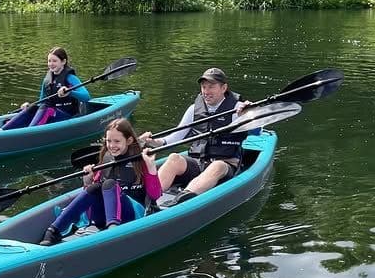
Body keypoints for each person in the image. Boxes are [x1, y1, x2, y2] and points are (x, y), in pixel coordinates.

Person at [39, 118, 161, 246]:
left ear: (129, 140)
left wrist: (151, 167)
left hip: (132, 215)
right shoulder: (106, 158)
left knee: (109, 184)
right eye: (108, 141)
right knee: (95, 187)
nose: (112, 145)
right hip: (103, 217)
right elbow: (93, 194)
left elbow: (155, 195)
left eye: (117, 141)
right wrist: (87, 181)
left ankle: (112, 231)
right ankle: (54, 230)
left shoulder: (141, 160)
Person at [139, 67, 250, 205]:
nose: (206, 91)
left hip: (225, 164)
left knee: (217, 166)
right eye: (204, 87)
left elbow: (256, 131)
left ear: (223, 88)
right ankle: (148, 199)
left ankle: (181, 201)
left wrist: (249, 115)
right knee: (174, 158)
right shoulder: (194, 109)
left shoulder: (238, 108)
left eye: (211, 87)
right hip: (199, 162)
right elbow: (175, 137)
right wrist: (153, 142)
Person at [0, 47, 91, 130]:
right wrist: (29, 106)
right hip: (51, 114)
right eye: (49, 61)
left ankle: (28, 133)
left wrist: (70, 92)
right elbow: (42, 102)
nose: (51, 64)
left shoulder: (70, 78)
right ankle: (1, 131)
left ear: (63, 62)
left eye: (54, 61)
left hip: (67, 116)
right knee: (33, 107)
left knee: (48, 109)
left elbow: (86, 97)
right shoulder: (47, 80)